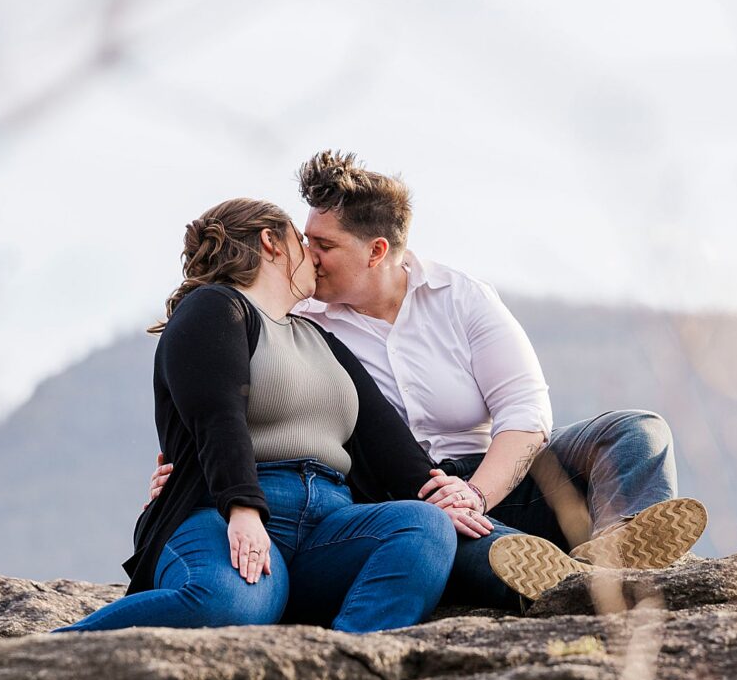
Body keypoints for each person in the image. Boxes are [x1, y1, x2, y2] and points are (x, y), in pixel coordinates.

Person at [148, 156, 706, 609]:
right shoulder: (296, 321)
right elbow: (224, 398)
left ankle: (624, 554)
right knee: (458, 546)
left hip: (497, 479)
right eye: (305, 239)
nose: (308, 257)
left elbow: (525, 413)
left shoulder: (461, 297)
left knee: (639, 431)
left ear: (377, 251)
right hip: (400, 497)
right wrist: (189, 466)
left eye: (324, 245)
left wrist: (477, 492)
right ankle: (561, 579)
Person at [55, 199, 460, 637]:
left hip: (329, 526)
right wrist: (243, 509)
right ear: (271, 243)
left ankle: (344, 662)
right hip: (221, 512)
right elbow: (218, 416)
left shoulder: (322, 340)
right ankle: (48, 655)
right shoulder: (215, 308)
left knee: (425, 526)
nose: (314, 257)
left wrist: (454, 497)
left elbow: (390, 447)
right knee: (230, 602)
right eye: (302, 241)